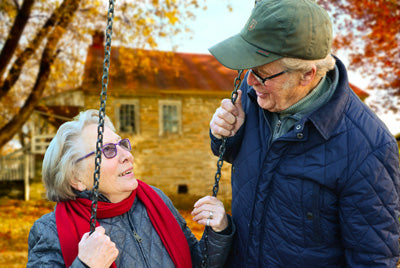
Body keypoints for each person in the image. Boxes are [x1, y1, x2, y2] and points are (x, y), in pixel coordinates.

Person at [208, 0, 400, 267]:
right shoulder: (255, 93)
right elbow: (232, 154)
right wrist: (225, 134)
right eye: (248, 70)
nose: (250, 82)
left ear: (307, 75)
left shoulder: (369, 148)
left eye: (262, 74)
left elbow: (373, 259)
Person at [27, 109, 234, 268]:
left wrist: (218, 231)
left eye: (122, 145)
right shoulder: (50, 230)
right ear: (76, 178)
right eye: (107, 150)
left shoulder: (156, 201)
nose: (126, 155)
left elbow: (196, 262)